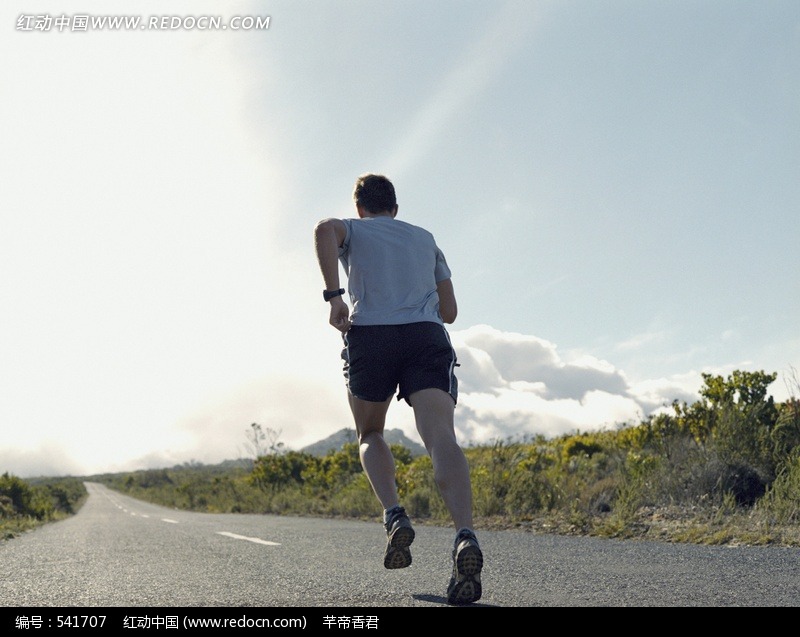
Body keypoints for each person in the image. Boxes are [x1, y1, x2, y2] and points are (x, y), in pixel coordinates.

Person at [313, 173, 483, 605]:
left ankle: (394, 515)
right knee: (441, 437)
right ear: (396, 208)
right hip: (425, 335)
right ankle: (465, 534)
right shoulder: (426, 239)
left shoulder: (355, 230)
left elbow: (324, 229)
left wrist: (335, 296)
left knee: (370, 433)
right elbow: (449, 311)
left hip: (372, 336)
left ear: (360, 208)